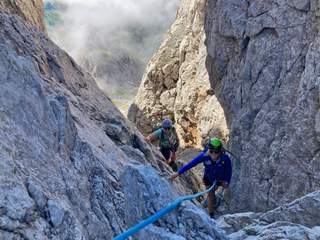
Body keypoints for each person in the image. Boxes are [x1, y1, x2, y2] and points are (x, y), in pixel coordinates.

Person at [170, 137, 232, 218]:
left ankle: (214, 200)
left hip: (220, 178)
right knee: (210, 195)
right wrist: (177, 173)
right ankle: (211, 214)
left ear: (220, 151)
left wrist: (227, 181)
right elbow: (190, 164)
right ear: (209, 150)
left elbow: (229, 170)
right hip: (208, 178)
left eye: (216, 152)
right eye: (211, 151)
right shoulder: (204, 156)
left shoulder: (225, 158)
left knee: (214, 191)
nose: (213, 154)